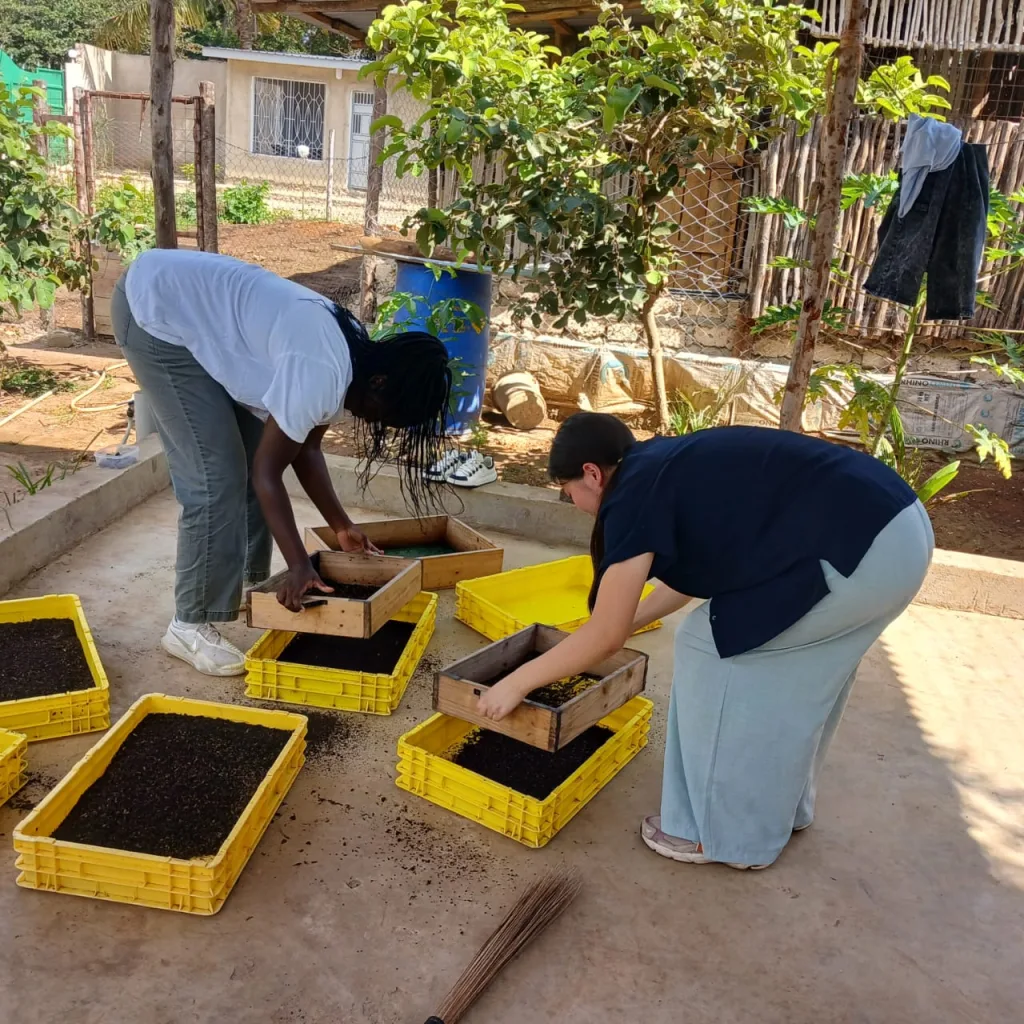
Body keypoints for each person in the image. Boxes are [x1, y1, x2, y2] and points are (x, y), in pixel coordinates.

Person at [477, 413, 934, 870]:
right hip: (897, 529)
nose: (573, 502)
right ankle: (779, 812)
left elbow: (607, 635)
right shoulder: (659, 463)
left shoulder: (632, 493)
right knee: (795, 683)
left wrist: (518, 682)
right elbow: (692, 576)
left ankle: (716, 837)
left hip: (858, 551)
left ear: (592, 474)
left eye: (568, 490)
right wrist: (620, 623)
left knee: (709, 645)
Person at [112, 248, 451, 678]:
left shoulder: (355, 361)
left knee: (253, 452)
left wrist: (341, 527)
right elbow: (267, 474)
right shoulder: (322, 369)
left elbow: (305, 450)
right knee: (216, 478)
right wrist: (299, 563)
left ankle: (245, 586)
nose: (381, 424)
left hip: (198, 312)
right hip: (156, 312)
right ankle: (189, 623)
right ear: (380, 383)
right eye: (389, 415)